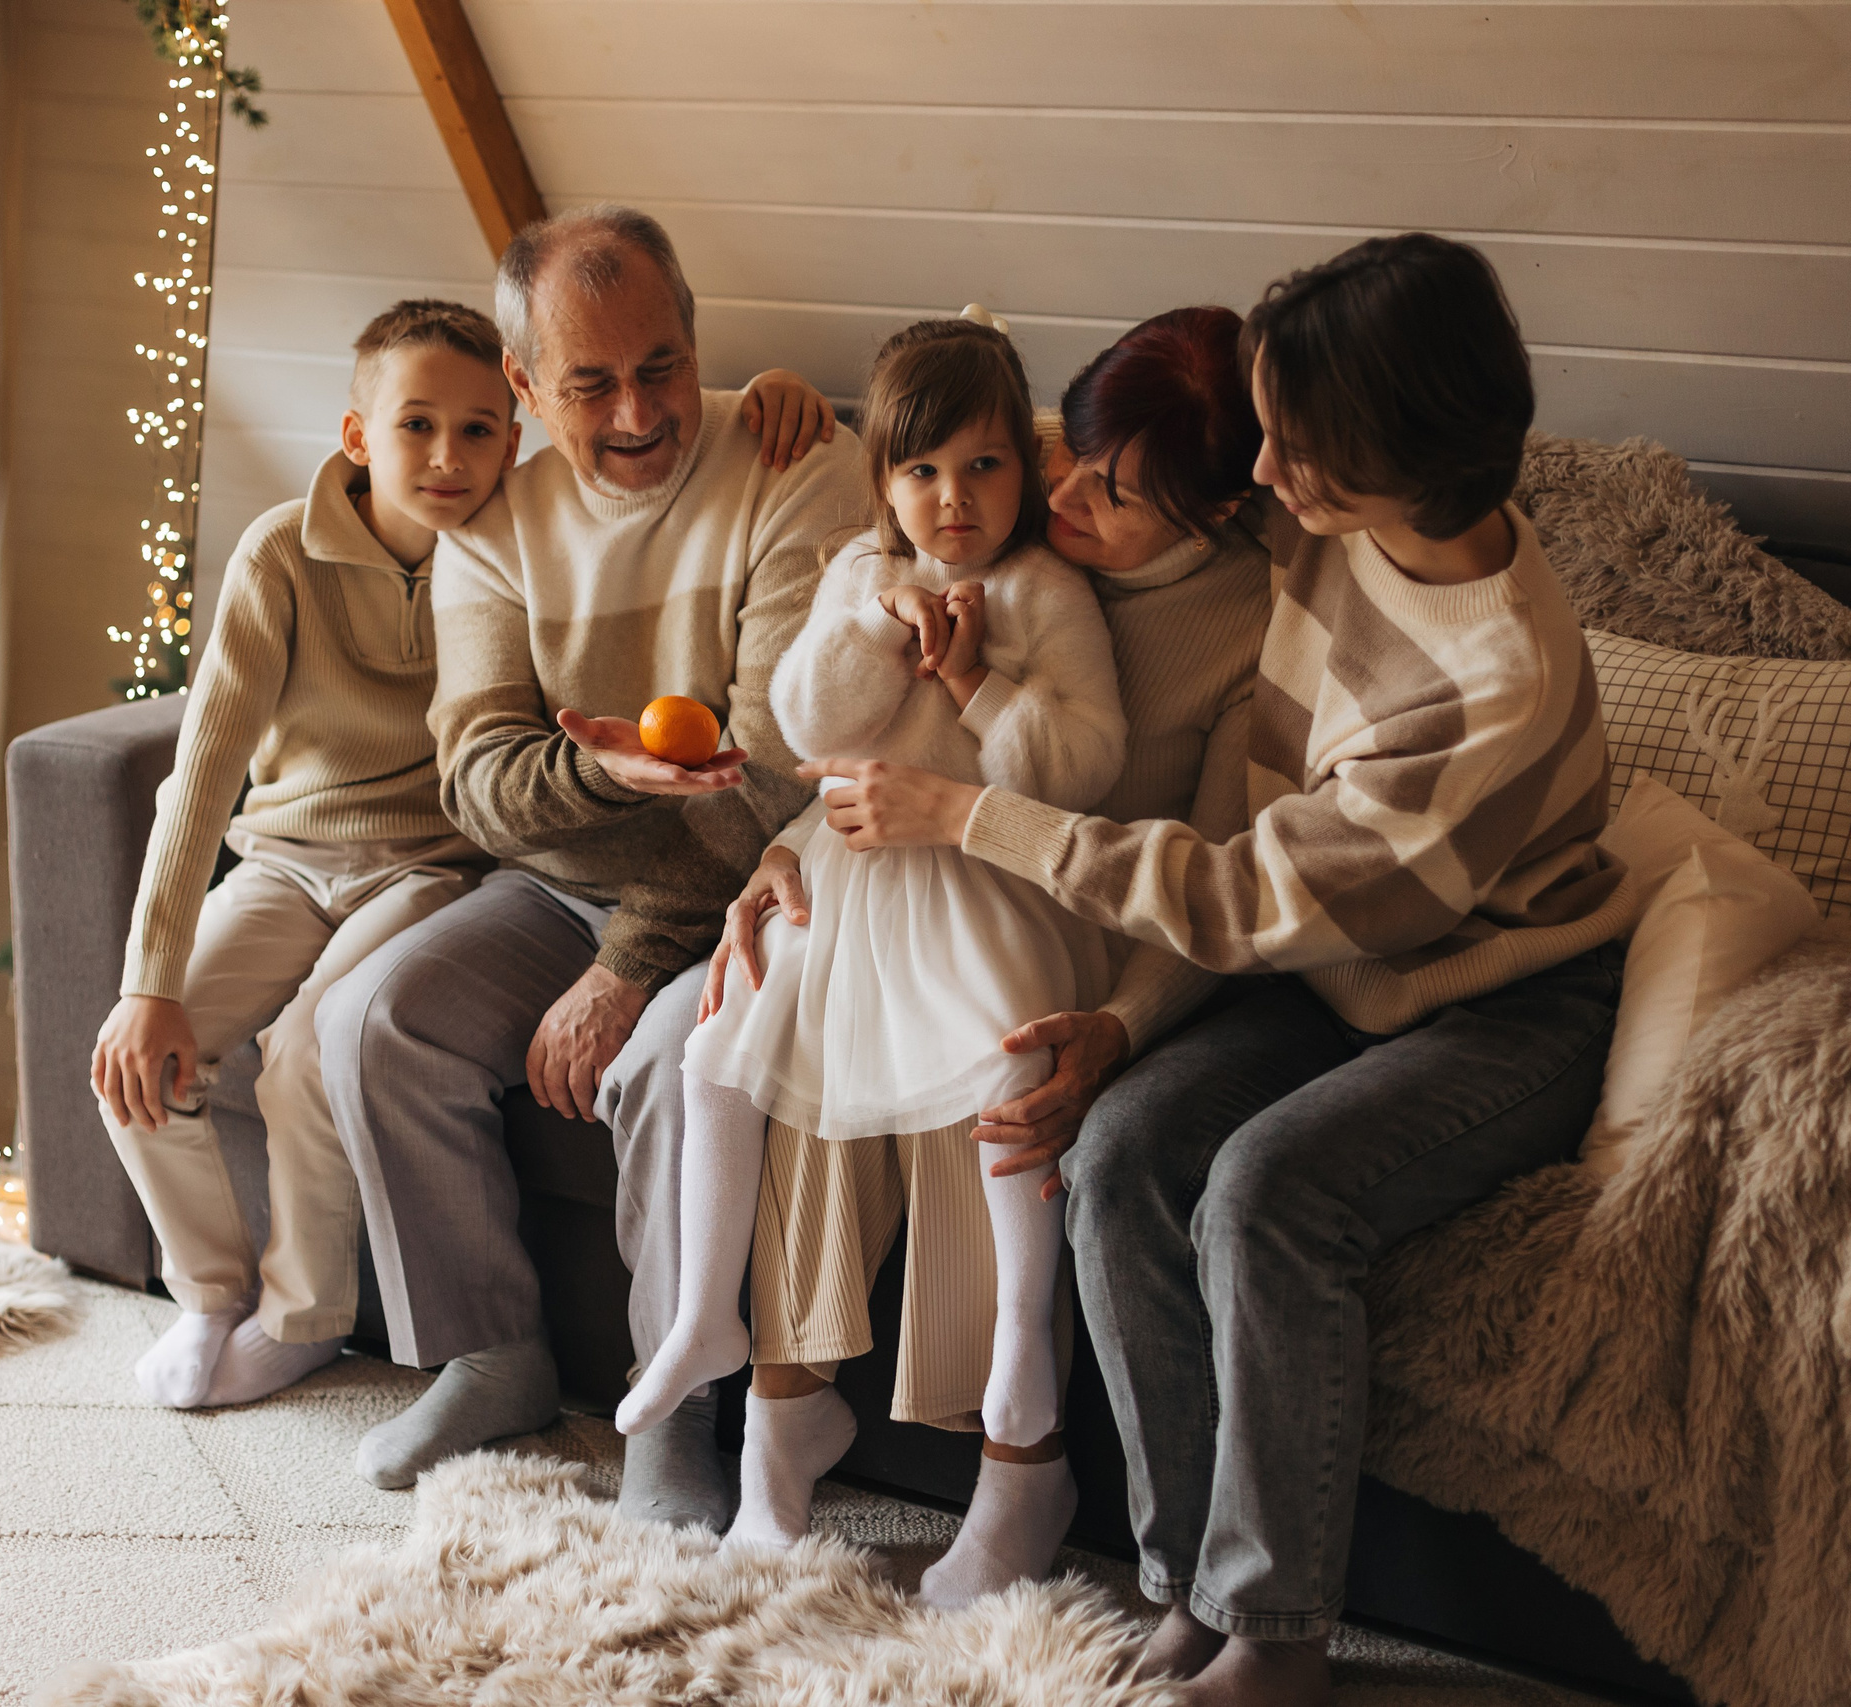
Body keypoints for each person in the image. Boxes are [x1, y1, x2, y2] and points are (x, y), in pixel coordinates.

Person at [798, 235, 1634, 1704]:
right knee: (1118, 1156)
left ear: (1394, 455)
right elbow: (1050, 463)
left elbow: (1245, 888)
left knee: (1268, 1191)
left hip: (1500, 991)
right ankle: (1181, 1578)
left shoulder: (1490, 687)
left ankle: (1279, 1633)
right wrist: (1122, 1025)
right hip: (1335, 963)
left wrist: (970, 814)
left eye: (1296, 450)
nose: (1269, 473)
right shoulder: (1319, 522)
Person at [89, 295, 832, 1413]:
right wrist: (148, 982)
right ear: (357, 438)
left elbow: (673, 445)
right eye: (415, 428)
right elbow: (199, 776)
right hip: (292, 859)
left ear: (518, 426)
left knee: (308, 1054)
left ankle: (303, 1318)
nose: (448, 458)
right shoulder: (281, 557)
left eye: (479, 430)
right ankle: (206, 1295)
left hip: (431, 867)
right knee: (140, 1057)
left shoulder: (508, 543)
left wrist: (767, 396)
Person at [689, 304, 1280, 1607]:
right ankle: (777, 1431)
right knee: (811, 1056)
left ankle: (1022, 1470)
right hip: (908, 866)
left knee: (998, 1082)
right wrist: (785, 849)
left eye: (1113, 492)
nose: (1064, 491)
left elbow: (1233, 886)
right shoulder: (995, 503)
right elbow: (857, 715)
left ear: (1213, 513)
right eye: (1066, 453)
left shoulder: (1254, 630)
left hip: (1103, 915)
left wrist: (1120, 1024)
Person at [314, 205, 865, 1515]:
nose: (635, 415)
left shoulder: (792, 464)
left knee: (675, 1058)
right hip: (571, 875)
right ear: (522, 383)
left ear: (694, 335)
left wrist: (628, 958)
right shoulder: (494, 518)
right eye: (590, 383)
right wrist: (610, 775)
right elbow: (484, 785)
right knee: (371, 1020)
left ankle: (671, 1407)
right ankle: (491, 1350)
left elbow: (780, 770)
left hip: (764, 888)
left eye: (660, 366)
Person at [616, 316, 1127, 1563]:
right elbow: (806, 723)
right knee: (719, 1042)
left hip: (979, 878)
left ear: (1028, 467)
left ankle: (1019, 1356)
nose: (952, 501)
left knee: (1007, 1062)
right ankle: (700, 1322)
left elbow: (1084, 766)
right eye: (920, 472)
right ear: (883, 481)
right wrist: (878, 629)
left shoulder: (1044, 594)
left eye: (984, 467)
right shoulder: (859, 572)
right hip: (848, 882)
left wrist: (973, 683)